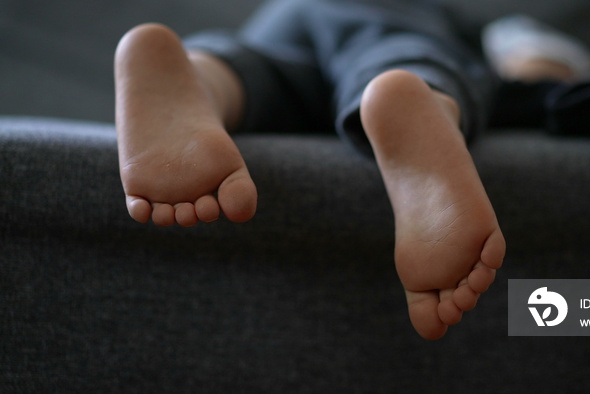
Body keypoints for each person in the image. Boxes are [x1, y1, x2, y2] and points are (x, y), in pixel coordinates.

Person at [114, 0, 506, 340]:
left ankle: (204, 78)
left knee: (257, 71)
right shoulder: (458, 16)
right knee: (404, 53)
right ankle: (420, 99)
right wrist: (544, 67)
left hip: (287, 34)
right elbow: (533, 52)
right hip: (391, 30)